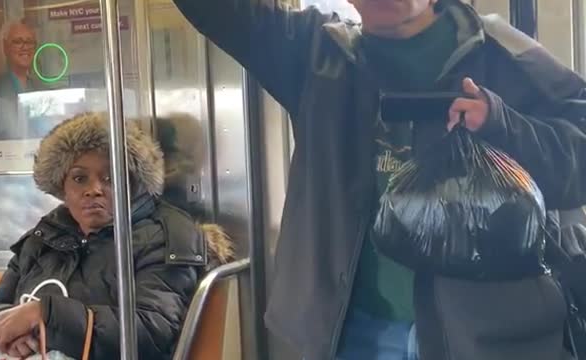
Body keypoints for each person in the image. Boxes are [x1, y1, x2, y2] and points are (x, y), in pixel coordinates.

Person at [173, 0, 586, 359]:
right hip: (350, 332)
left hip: (487, 336)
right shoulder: (315, 53)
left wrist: (503, 126)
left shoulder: (505, 55)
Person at [0, 112, 233, 359]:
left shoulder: (165, 239)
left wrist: (45, 315)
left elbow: (152, 334)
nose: (94, 190)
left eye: (110, 178)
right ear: (61, 187)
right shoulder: (41, 240)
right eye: (80, 179)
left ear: (133, 185)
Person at [0, 20, 42, 141]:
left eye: (29, 42)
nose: (25, 47)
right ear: (5, 47)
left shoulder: (39, 87)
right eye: (18, 41)